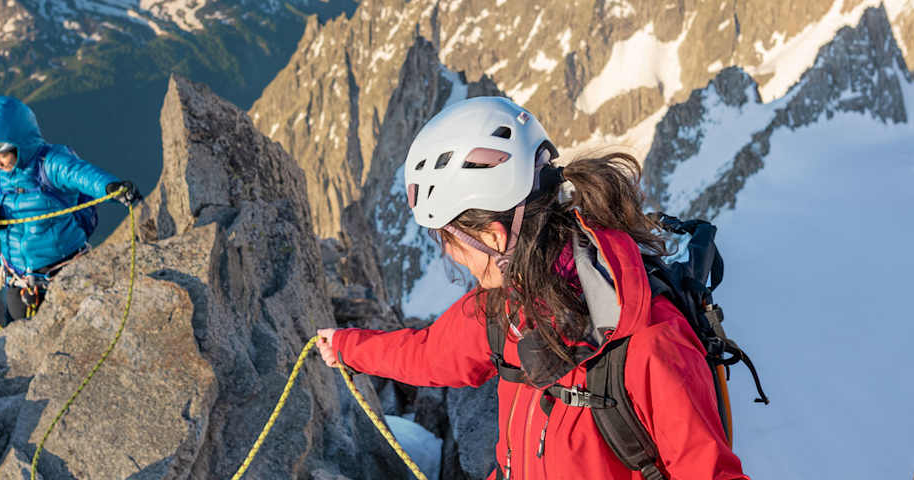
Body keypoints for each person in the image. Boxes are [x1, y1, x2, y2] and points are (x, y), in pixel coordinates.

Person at [314, 97, 747, 479]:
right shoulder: (507, 306)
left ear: (493, 237)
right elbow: (429, 353)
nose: (451, 256)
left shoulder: (651, 343)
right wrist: (348, 347)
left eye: (449, 241)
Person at [0, 96, 142, 324]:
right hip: (19, 281)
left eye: (2, 154)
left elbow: (83, 176)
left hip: (66, 275)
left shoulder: (50, 163)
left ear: (21, 144)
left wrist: (112, 188)